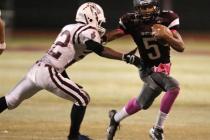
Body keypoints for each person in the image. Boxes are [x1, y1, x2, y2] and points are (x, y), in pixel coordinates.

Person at [0, 2, 142, 140]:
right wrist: (126, 57)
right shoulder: (88, 30)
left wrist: (121, 33)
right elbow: (99, 49)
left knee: (10, 100)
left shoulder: (70, 28)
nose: (100, 23)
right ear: (92, 17)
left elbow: (95, 44)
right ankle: (73, 136)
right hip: (49, 72)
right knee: (82, 98)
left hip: (38, 69)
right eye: (99, 19)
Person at [105, 0, 185, 140]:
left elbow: (180, 46)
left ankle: (115, 118)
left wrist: (167, 36)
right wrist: (100, 39)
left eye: (149, 7)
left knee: (142, 104)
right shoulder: (131, 20)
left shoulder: (167, 18)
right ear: (137, 9)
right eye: (143, 8)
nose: (147, 10)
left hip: (162, 69)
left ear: (155, 7)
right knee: (173, 87)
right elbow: (117, 33)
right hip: (147, 68)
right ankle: (157, 130)